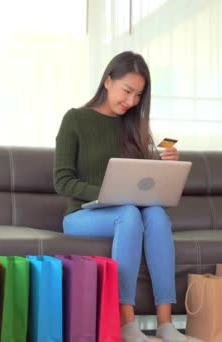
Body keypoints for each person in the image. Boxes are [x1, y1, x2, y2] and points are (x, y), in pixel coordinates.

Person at [54, 51, 195, 342]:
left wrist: (162, 166)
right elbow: (63, 181)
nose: (131, 102)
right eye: (127, 91)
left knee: (155, 213)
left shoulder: (133, 127)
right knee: (129, 213)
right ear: (108, 81)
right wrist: (108, 194)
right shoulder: (75, 120)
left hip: (126, 209)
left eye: (138, 95)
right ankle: (126, 323)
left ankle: (166, 324)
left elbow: (143, 184)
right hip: (82, 215)